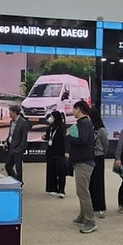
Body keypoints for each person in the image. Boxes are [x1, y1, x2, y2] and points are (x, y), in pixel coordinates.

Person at [66, 100, 96, 234]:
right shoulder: (84, 122)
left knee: (83, 192)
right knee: (81, 191)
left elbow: (82, 140)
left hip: (84, 163)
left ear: (78, 109)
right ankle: (83, 216)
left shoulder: (84, 123)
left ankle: (90, 221)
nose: (73, 111)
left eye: (74, 109)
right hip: (82, 161)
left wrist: (69, 137)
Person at [87, 106, 109, 219]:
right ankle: (91, 205)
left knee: (98, 182)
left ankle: (100, 207)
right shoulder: (88, 128)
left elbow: (106, 145)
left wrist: (102, 154)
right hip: (89, 158)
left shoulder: (101, 130)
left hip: (98, 157)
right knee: (90, 182)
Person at [42, 110, 66, 198]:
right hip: (50, 151)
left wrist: (66, 151)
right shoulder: (50, 127)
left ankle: (61, 190)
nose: (50, 118)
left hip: (59, 152)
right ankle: (52, 188)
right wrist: (45, 137)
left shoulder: (62, 127)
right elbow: (49, 137)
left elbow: (65, 139)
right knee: (51, 170)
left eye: (52, 117)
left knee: (60, 171)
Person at [5, 104, 29, 182]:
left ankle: (19, 183)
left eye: (10, 112)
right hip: (11, 147)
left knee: (18, 168)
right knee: (8, 166)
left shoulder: (23, 122)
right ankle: (15, 180)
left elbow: (24, 136)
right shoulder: (11, 122)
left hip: (18, 148)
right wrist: (7, 141)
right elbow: (11, 134)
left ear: (15, 112)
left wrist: (21, 148)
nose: (9, 114)